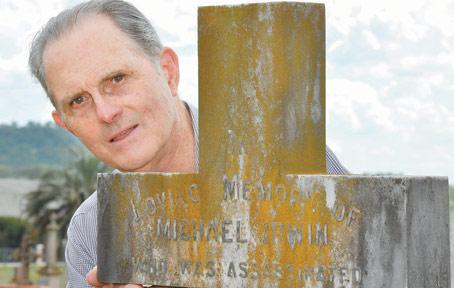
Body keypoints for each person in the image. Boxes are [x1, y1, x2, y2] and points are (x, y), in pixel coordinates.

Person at [28, 0, 348, 287]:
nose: (106, 112)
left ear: (167, 72)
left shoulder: (290, 165)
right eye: (79, 100)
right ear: (65, 125)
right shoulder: (91, 230)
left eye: (117, 79)